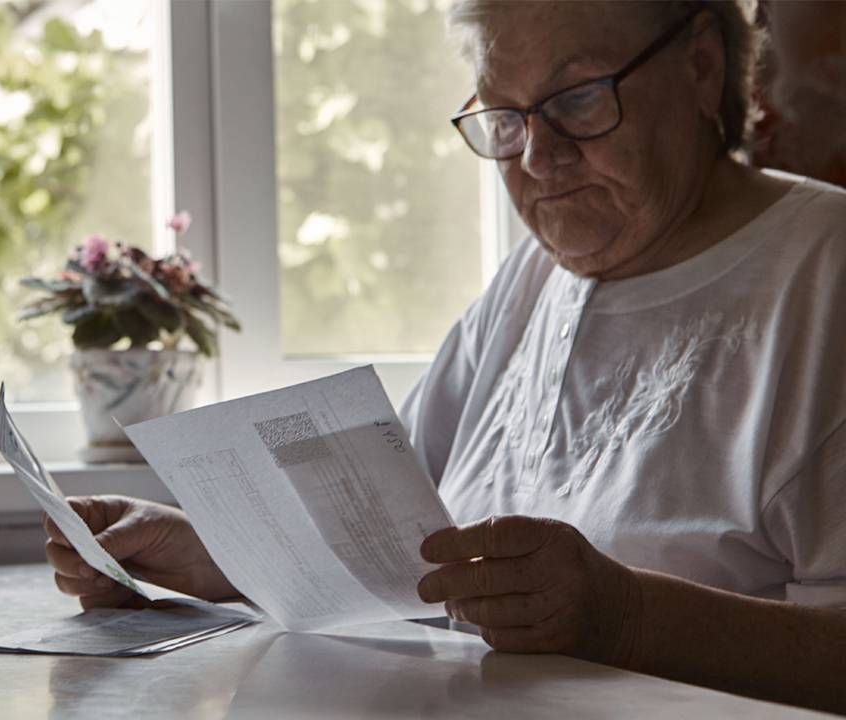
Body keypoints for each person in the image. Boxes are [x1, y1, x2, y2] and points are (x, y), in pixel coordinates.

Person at [45, 1, 846, 713]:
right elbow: (393, 549)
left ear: (701, 66)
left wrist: (625, 616)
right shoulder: (532, 281)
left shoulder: (825, 273)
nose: (538, 158)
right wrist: (209, 549)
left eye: (577, 100)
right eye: (506, 117)